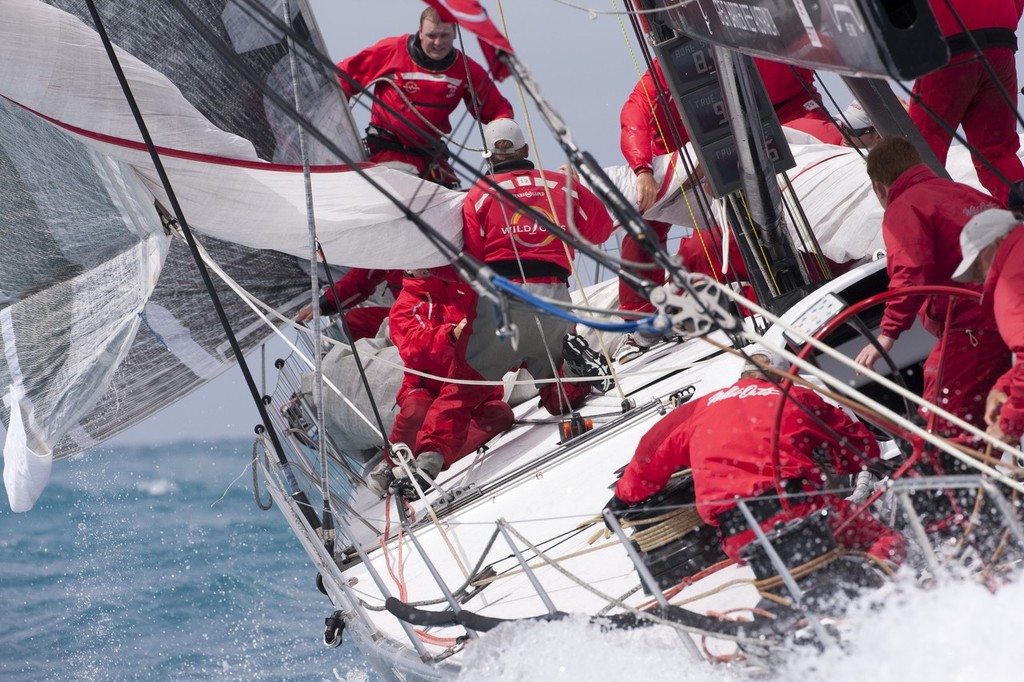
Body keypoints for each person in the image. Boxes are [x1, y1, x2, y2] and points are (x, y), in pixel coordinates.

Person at [401, 119, 616, 483]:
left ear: (488, 157)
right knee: (557, 395)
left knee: (461, 392)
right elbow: (601, 230)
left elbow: (473, 263)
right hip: (554, 302)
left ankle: (428, 464)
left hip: (503, 306)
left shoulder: (479, 195)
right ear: (526, 152)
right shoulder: (559, 184)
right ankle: (579, 372)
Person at [614, 59, 833, 361]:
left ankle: (823, 262)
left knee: (774, 195)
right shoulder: (656, 81)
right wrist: (642, 169)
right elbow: (633, 118)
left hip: (738, 132)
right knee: (644, 225)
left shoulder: (739, 54)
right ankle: (641, 325)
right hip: (673, 153)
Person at [609, 348, 905, 565]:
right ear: (783, 375)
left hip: (739, 538)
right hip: (799, 514)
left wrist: (623, 499)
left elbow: (651, 450)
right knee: (884, 537)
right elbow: (861, 451)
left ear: (743, 376)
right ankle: (883, 587)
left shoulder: (701, 407)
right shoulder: (795, 397)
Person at [854, 137, 1010, 435]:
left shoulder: (905, 207)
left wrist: (888, 334)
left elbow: (910, 271)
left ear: (878, 186)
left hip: (974, 326)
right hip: (1010, 318)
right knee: (998, 421)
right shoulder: (967, 193)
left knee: (941, 430)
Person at [370, 266, 514, 495]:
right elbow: (413, 349)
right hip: (428, 387)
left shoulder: (464, 287)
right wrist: (451, 335)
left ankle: (427, 455)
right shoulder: (404, 308)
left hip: (470, 387)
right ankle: (393, 462)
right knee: (416, 410)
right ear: (406, 267)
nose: (424, 263)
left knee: (501, 413)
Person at [337, 7, 514, 187]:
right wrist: (336, 129)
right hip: (387, 151)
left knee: (459, 202)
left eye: (444, 36)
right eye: (431, 35)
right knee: (405, 188)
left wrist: (505, 142)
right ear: (420, 32)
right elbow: (342, 76)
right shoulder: (392, 51)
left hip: (432, 157)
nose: (438, 43)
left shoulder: (466, 69)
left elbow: (498, 109)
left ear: (455, 33)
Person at [908, 0, 1024, 206]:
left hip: (948, 40)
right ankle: (1019, 200)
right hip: (1000, 38)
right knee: (998, 152)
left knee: (924, 147)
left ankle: (926, 219)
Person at [951, 209, 1024, 445]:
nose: (977, 278)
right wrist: (1003, 386)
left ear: (996, 243)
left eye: (977, 266)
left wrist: (1009, 424)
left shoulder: (1010, 283)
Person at [296, 267, 404, 341]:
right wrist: (322, 305)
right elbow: (359, 280)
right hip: (407, 315)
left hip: (418, 313)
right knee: (354, 321)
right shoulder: (385, 248)